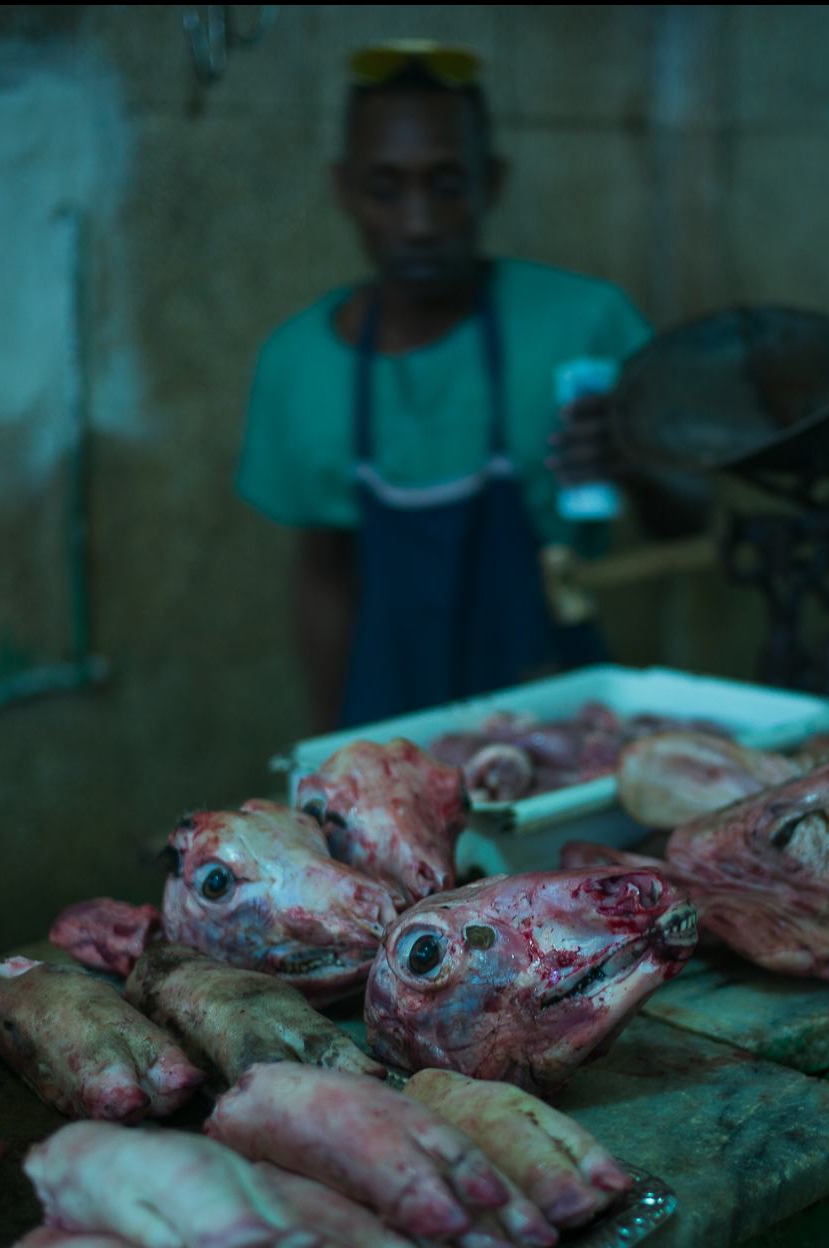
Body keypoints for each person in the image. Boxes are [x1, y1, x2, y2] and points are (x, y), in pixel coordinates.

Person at [236, 40, 655, 732]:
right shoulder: (299, 364)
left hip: (556, 721)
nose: (419, 222)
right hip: (388, 722)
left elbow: (693, 520)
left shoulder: (586, 325)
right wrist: (335, 743)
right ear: (345, 189)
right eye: (386, 189)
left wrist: (640, 465)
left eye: (448, 185)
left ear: (491, 182)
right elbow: (324, 573)